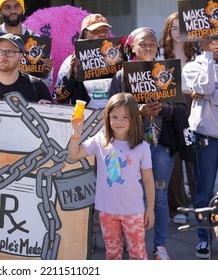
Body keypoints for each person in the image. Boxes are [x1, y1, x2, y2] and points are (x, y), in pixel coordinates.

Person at [109, 27, 180, 260]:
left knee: (158, 196)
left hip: (160, 147)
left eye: (152, 43)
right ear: (132, 47)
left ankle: (159, 247)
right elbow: (111, 110)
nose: (148, 47)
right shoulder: (121, 76)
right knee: (131, 196)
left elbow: (181, 110)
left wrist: (164, 108)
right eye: (143, 44)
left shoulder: (167, 72)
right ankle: (133, 244)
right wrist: (136, 111)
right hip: (131, 146)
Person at [68, 92, 155, 260]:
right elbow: (73, 155)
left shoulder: (142, 147)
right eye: (114, 117)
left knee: (138, 255)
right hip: (107, 212)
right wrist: (76, 132)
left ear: (134, 118)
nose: (119, 122)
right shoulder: (100, 140)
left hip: (133, 212)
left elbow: (149, 180)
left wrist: (150, 209)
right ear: (107, 117)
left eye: (125, 117)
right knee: (112, 254)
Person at [160, 12, 197, 225]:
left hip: (196, 106)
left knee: (194, 156)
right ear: (168, 31)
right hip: (172, 107)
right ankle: (178, 206)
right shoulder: (161, 56)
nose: (177, 32)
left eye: (181, 27)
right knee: (174, 156)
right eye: (173, 27)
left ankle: (200, 203)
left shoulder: (199, 54)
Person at [183, 35, 218, 259]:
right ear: (201, 42)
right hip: (207, 136)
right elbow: (205, 89)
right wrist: (208, 57)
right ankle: (204, 240)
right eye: (212, 40)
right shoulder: (192, 66)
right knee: (204, 190)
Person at [0, 0, 53, 90]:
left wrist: (46, 73)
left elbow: (45, 87)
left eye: (17, 6)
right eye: (7, 7)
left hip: (30, 102)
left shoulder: (38, 42)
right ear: (0, 12)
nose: (13, 11)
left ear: (22, 9)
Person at [0, 33, 53, 104]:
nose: (3, 56)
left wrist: (46, 109)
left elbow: (51, 120)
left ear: (21, 56)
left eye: (10, 52)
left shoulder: (37, 88)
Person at [53, 13, 113, 107]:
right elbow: (58, 97)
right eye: (96, 31)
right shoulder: (71, 61)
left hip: (112, 118)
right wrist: (72, 75)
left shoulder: (118, 58)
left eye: (105, 30)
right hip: (83, 118)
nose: (102, 34)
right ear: (85, 34)